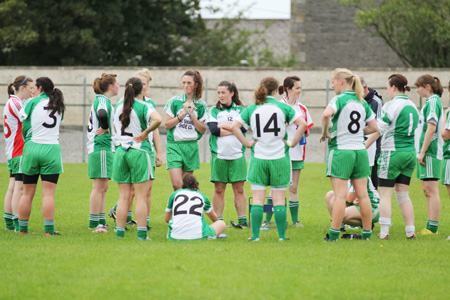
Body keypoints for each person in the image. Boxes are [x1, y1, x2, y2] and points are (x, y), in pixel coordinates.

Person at [230, 77, 307, 242]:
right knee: (279, 199)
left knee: (258, 198)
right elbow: (303, 124)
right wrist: (292, 143)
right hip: (279, 158)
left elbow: (234, 127)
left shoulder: (252, 108)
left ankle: (256, 236)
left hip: (259, 158)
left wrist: (247, 144)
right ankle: (281, 236)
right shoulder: (284, 107)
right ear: (275, 91)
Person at [320, 68, 378, 242]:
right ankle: (367, 234)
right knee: (363, 195)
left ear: (340, 81)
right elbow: (374, 127)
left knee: (339, 195)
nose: (332, 85)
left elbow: (325, 114)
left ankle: (334, 235)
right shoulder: (362, 101)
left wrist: (325, 132)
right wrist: (359, 132)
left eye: (332, 81)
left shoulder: (339, 99)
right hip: (360, 151)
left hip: (342, 151)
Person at [365, 74, 418, 239]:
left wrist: (363, 145)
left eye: (388, 87)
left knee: (385, 193)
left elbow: (378, 129)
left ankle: (384, 232)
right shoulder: (413, 105)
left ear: (393, 87)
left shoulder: (391, 105)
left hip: (393, 153)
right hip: (410, 153)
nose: (387, 91)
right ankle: (410, 231)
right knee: (403, 194)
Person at [108, 69, 162, 230]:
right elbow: (158, 121)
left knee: (127, 195)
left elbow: (115, 127)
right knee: (140, 195)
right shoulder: (140, 105)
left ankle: (120, 231)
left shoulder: (123, 106)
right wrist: (144, 133)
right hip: (140, 150)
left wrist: (158, 151)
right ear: (141, 88)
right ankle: (141, 231)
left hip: (122, 150)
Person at [263, 76, 313, 228]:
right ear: (288, 89)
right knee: (276, 187)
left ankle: (295, 221)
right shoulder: (278, 106)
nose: (299, 91)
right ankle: (267, 220)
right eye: (297, 88)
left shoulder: (303, 108)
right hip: (280, 153)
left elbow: (307, 129)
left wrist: (304, 132)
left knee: (293, 187)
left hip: (297, 152)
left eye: (300, 88)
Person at [18, 77, 65, 236]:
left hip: (32, 148)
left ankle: (22, 230)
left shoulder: (33, 102)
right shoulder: (58, 105)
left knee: (27, 192)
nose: (32, 90)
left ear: (39, 88)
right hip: (51, 149)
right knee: (48, 194)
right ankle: (49, 231)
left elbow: (22, 119)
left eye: (34, 88)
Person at [207, 81, 248, 227]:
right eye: (218, 93)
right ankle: (218, 221)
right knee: (219, 189)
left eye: (223, 92)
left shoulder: (241, 110)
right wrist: (233, 129)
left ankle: (242, 221)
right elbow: (214, 131)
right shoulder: (214, 110)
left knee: (239, 189)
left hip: (237, 155)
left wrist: (223, 125)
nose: (220, 95)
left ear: (232, 93)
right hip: (219, 155)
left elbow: (243, 129)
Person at [164, 70, 208, 191]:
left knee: (187, 185)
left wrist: (192, 114)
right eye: (184, 83)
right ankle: (177, 208)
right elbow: (167, 125)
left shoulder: (201, 105)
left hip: (191, 146)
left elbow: (203, 130)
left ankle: (184, 209)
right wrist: (183, 114)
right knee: (176, 184)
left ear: (196, 85)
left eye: (189, 83)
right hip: (174, 145)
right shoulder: (175, 101)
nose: (186, 86)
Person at [87, 73, 119, 233]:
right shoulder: (102, 100)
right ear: (111, 86)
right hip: (101, 146)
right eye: (117, 83)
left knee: (104, 186)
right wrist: (106, 126)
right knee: (99, 186)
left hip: (104, 148)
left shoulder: (104, 100)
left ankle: (100, 220)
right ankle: (94, 223)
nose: (119, 86)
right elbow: (101, 114)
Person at [3, 75, 34, 231]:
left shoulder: (12, 101)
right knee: (19, 188)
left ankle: (8, 223)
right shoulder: (16, 102)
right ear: (22, 88)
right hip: (19, 150)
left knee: (12, 186)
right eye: (30, 88)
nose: (32, 92)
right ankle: (17, 224)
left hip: (13, 151)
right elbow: (27, 118)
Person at [414, 74, 444, 235]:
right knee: (427, 190)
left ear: (427, 86)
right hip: (426, 152)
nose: (416, 90)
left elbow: (431, 128)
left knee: (431, 190)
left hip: (430, 152)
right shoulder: (430, 102)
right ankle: (430, 226)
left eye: (418, 86)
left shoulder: (433, 102)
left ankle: (433, 228)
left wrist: (423, 151)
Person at [164, 174, 226, 240]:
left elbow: (167, 219)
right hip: (199, 236)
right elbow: (213, 217)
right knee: (221, 223)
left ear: (183, 184)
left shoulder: (174, 194)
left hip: (174, 237)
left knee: (173, 223)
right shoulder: (202, 196)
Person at [361, 77, 384, 189]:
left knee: (372, 186)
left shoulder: (377, 102)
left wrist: (364, 146)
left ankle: (373, 205)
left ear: (364, 88)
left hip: (373, 151)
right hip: (359, 148)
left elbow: (378, 129)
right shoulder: (355, 101)